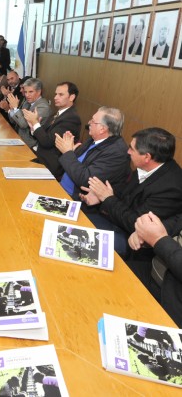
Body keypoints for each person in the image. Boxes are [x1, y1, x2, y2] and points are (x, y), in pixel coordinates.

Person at [80, 128, 182, 257]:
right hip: (117, 221)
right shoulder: (147, 166)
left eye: (132, 149)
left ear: (147, 157)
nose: (128, 152)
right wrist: (99, 196)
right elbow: (126, 192)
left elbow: (137, 224)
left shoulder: (170, 188)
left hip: (133, 241)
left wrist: (107, 198)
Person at [56, 107, 130, 200]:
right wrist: (71, 152)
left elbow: (86, 180)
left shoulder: (117, 153)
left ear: (102, 129)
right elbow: (75, 163)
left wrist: (67, 153)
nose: (89, 122)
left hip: (77, 201)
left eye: (93, 121)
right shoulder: (94, 139)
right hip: (61, 188)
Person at [128, 212, 182, 326]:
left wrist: (159, 240)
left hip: (173, 303)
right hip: (155, 272)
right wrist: (145, 233)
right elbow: (178, 220)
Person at [24, 81, 81, 179]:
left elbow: (47, 142)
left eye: (60, 94)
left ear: (71, 97)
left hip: (52, 167)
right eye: (56, 94)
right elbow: (43, 136)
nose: (55, 97)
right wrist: (33, 127)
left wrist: (35, 123)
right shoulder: (57, 113)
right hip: (41, 158)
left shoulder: (71, 118)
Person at [5, 78, 51, 148]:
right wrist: (12, 109)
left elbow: (24, 125)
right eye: (25, 92)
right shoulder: (27, 102)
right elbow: (14, 121)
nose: (27, 95)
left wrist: (15, 108)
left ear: (39, 92)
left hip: (30, 145)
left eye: (30, 92)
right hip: (17, 137)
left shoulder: (43, 107)